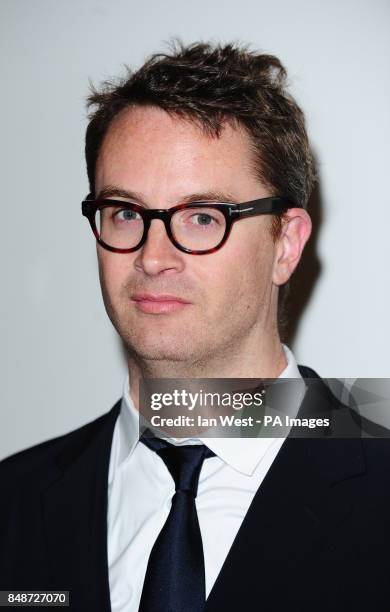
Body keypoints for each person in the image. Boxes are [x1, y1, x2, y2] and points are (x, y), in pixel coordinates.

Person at [0, 41, 389, 612]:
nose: (153, 257)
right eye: (127, 213)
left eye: (203, 217)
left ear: (286, 243)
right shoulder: (12, 501)